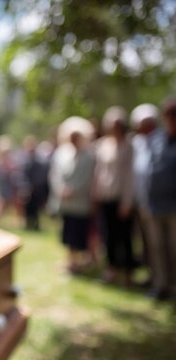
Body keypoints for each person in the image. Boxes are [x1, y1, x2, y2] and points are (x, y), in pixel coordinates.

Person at [93, 106, 135, 285]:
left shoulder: (129, 146)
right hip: (106, 198)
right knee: (108, 235)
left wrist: (127, 201)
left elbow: (130, 176)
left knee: (124, 236)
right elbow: (98, 172)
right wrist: (95, 193)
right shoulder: (103, 145)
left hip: (122, 199)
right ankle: (111, 268)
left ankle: (128, 272)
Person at [49, 117, 95, 273]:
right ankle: (70, 261)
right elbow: (55, 175)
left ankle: (78, 262)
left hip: (80, 203)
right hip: (66, 203)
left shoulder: (88, 156)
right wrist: (60, 189)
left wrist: (73, 190)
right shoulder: (62, 154)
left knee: (78, 234)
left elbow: (87, 178)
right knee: (67, 233)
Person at [144, 97, 176, 299]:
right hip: (155, 205)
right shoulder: (157, 140)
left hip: (174, 207)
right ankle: (161, 285)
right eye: (169, 116)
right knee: (157, 249)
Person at [130, 103, 160, 289]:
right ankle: (153, 277)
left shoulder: (162, 140)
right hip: (143, 202)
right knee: (148, 245)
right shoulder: (137, 143)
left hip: (162, 203)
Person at [21, 136, 49, 230]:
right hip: (27, 189)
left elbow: (41, 175)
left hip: (36, 189)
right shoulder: (24, 160)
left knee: (36, 208)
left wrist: (36, 186)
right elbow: (21, 175)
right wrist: (24, 186)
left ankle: (36, 225)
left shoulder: (40, 160)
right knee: (27, 209)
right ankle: (28, 224)